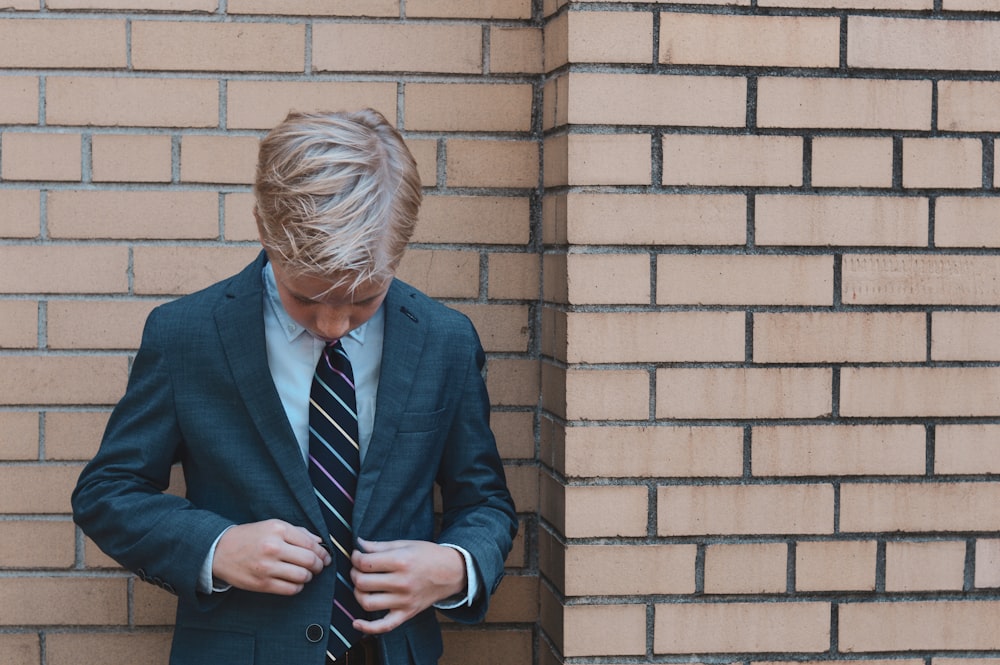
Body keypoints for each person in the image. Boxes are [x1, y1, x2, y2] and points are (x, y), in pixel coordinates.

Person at [72, 109, 518, 665]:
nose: (332, 324)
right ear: (264, 227)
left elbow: (485, 502)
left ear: (398, 250)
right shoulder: (187, 334)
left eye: (362, 300)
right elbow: (107, 491)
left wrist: (456, 565)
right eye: (306, 298)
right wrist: (214, 547)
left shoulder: (446, 341)